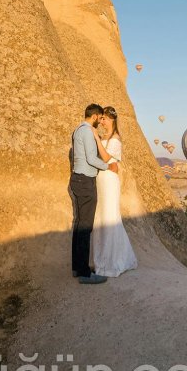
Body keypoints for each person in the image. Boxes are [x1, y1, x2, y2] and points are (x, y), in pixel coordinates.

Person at [91, 107, 137, 277]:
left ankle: (113, 261)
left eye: (104, 119)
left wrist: (95, 138)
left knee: (110, 217)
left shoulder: (115, 140)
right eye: (101, 118)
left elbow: (104, 158)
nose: (102, 122)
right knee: (101, 217)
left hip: (110, 180)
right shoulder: (105, 138)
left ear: (112, 120)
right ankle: (101, 260)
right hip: (101, 178)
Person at [70, 104, 109, 284]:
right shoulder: (86, 132)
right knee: (85, 227)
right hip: (85, 181)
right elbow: (91, 159)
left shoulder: (77, 130)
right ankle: (85, 273)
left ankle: (78, 267)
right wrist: (109, 166)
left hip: (77, 179)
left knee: (79, 225)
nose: (101, 122)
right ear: (94, 116)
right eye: (100, 118)